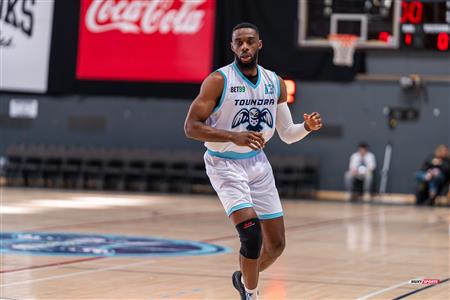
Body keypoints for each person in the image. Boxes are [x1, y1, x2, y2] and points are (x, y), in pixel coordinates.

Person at [184, 22, 322, 300]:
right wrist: (232, 137)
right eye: (239, 42)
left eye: (250, 41)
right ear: (232, 47)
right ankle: (251, 293)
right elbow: (190, 127)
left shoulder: (275, 82)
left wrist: (306, 128)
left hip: (258, 164)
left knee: (277, 245)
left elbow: (286, 134)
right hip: (224, 163)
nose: (245, 46)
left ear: (259, 44)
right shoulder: (218, 80)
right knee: (251, 235)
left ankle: (244, 278)